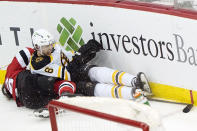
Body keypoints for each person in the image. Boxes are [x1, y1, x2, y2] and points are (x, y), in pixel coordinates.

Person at [2, 29, 77, 110]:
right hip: (26, 85)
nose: (50, 48)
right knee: (52, 83)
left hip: (26, 99)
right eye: (46, 46)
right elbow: (27, 56)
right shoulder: (28, 53)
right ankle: (64, 94)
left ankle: (53, 102)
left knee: (47, 86)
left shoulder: (10, 79)